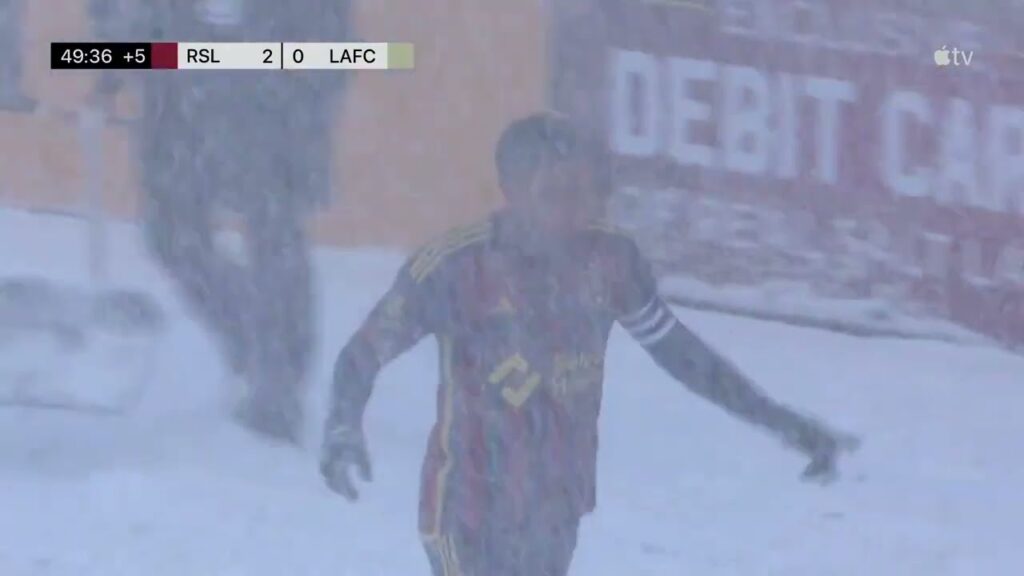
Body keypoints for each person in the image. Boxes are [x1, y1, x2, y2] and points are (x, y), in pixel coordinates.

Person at [320, 112, 857, 576]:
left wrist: (780, 421)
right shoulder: (456, 268)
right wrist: (343, 425)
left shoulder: (611, 261)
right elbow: (363, 353)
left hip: (557, 506)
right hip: (469, 509)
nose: (575, 212)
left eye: (587, 193)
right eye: (554, 195)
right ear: (511, 193)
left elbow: (683, 356)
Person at [89, 0, 349, 442]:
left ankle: (278, 387)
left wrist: (311, 94)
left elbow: (331, 32)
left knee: (274, 239)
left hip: (272, 103)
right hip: (179, 107)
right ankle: (256, 343)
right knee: (172, 236)